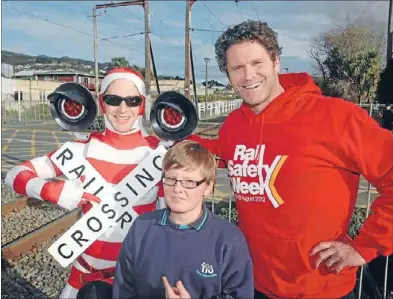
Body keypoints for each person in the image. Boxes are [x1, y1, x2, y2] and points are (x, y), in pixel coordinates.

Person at [189, 20, 393, 299]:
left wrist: (365, 246)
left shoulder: (335, 117)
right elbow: (223, 153)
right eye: (237, 68)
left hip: (322, 288)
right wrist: (168, 139)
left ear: (276, 61)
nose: (248, 75)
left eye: (257, 63)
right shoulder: (235, 124)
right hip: (254, 283)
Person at [4, 67, 166, 298]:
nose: (122, 109)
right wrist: (50, 190)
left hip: (137, 279)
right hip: (83, 277)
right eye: (113, 99)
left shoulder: (159, 155)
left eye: (132, 101)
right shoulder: (80, 151)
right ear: (102, 102)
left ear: (142, 104)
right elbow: (16, 174)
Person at [112, 140, 254, 299]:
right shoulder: (142, 228)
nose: (177, 189)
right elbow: (123, 290)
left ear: (207, 187)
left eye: (188, 182)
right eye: (171, 179)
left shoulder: (229, 239)